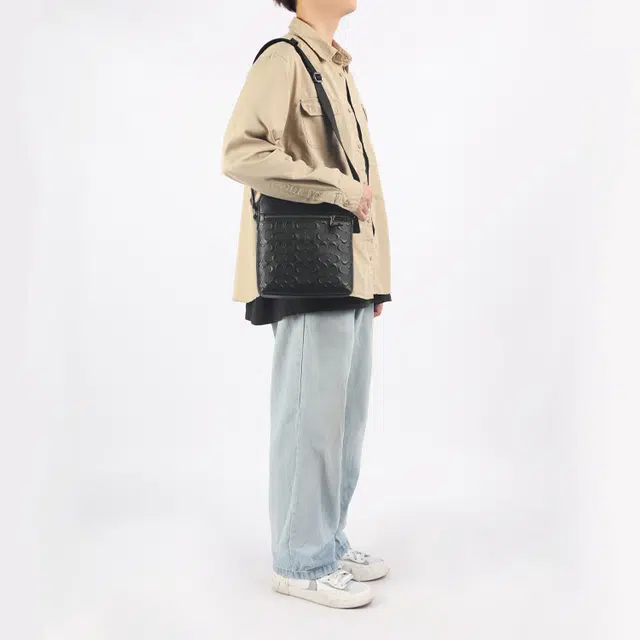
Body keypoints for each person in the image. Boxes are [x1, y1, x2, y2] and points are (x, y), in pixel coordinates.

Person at [221, 0, 392, 608]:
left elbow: (367, 186)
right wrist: (337, 189)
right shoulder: (284, 59)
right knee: (310, 420)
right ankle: (300, 561)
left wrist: (374, 279)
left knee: (343, 423)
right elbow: (241, 153)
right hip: (310, 271)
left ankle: (327, 541)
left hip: (349, 272)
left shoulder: (337, 67)